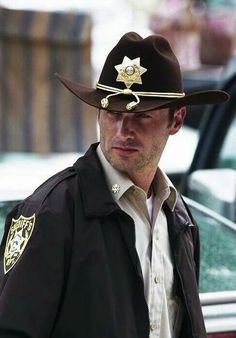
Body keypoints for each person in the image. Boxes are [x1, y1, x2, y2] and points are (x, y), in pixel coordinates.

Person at [0, 32, 229, 338]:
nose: (123, 130)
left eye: (142, 116)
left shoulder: (178, 217)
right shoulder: (50, 214)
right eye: (112, 113)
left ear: (176, 120)